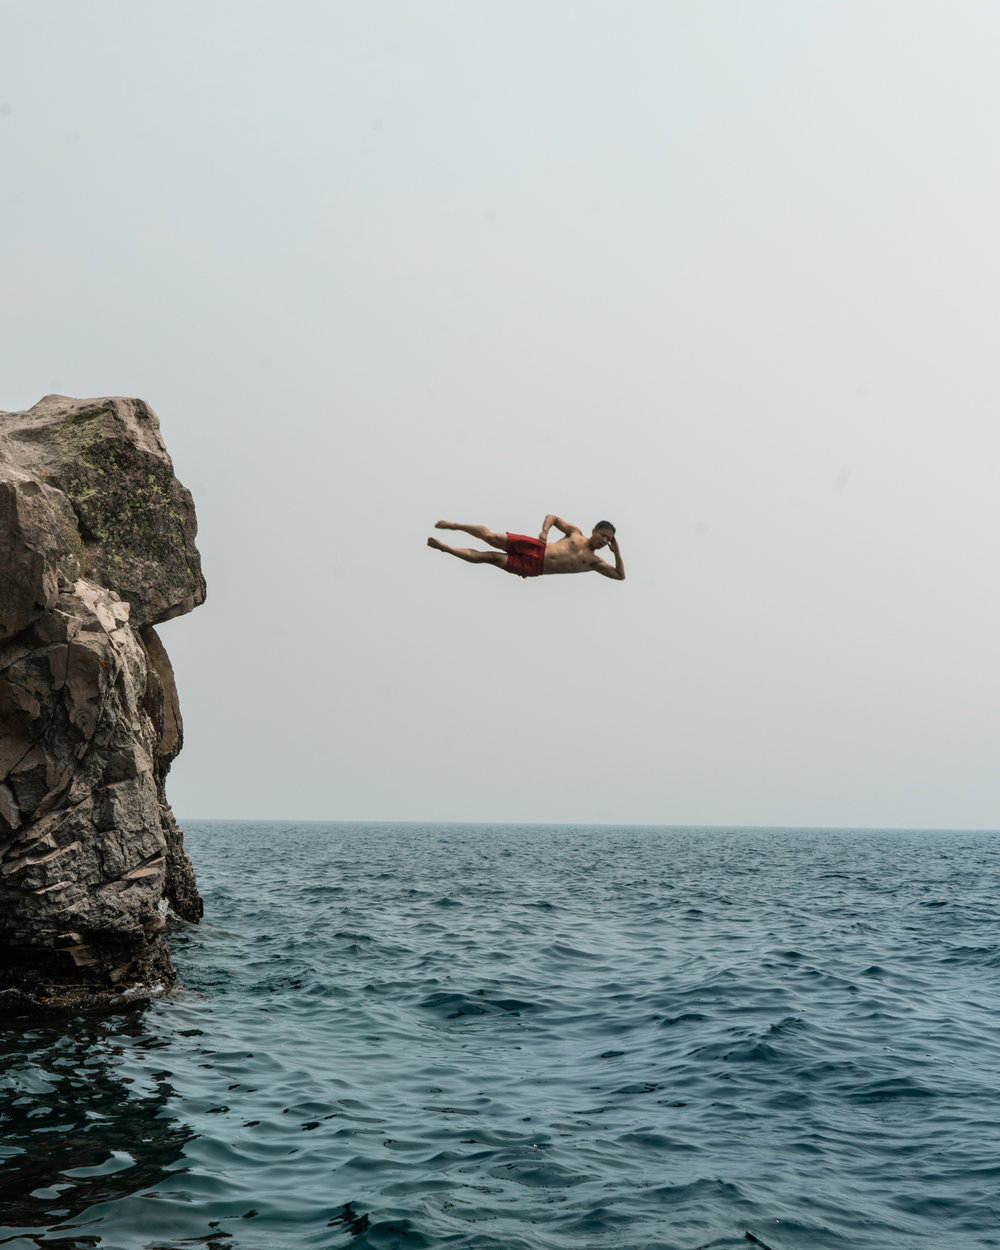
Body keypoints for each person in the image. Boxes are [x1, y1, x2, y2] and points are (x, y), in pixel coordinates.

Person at [427, 516, 625, 580]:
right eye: (603, 536)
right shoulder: (575, 533)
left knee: (490, 558)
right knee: (491, 537)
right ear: (595, 531)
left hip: (535, 567)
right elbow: (552, 517)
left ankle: (446, 548)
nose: (604, 541)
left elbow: (619, 575)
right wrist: (545, 532)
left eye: (608, 540)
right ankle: (455, 526)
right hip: (538, 547)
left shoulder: (595, 562)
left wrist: (616, 553)